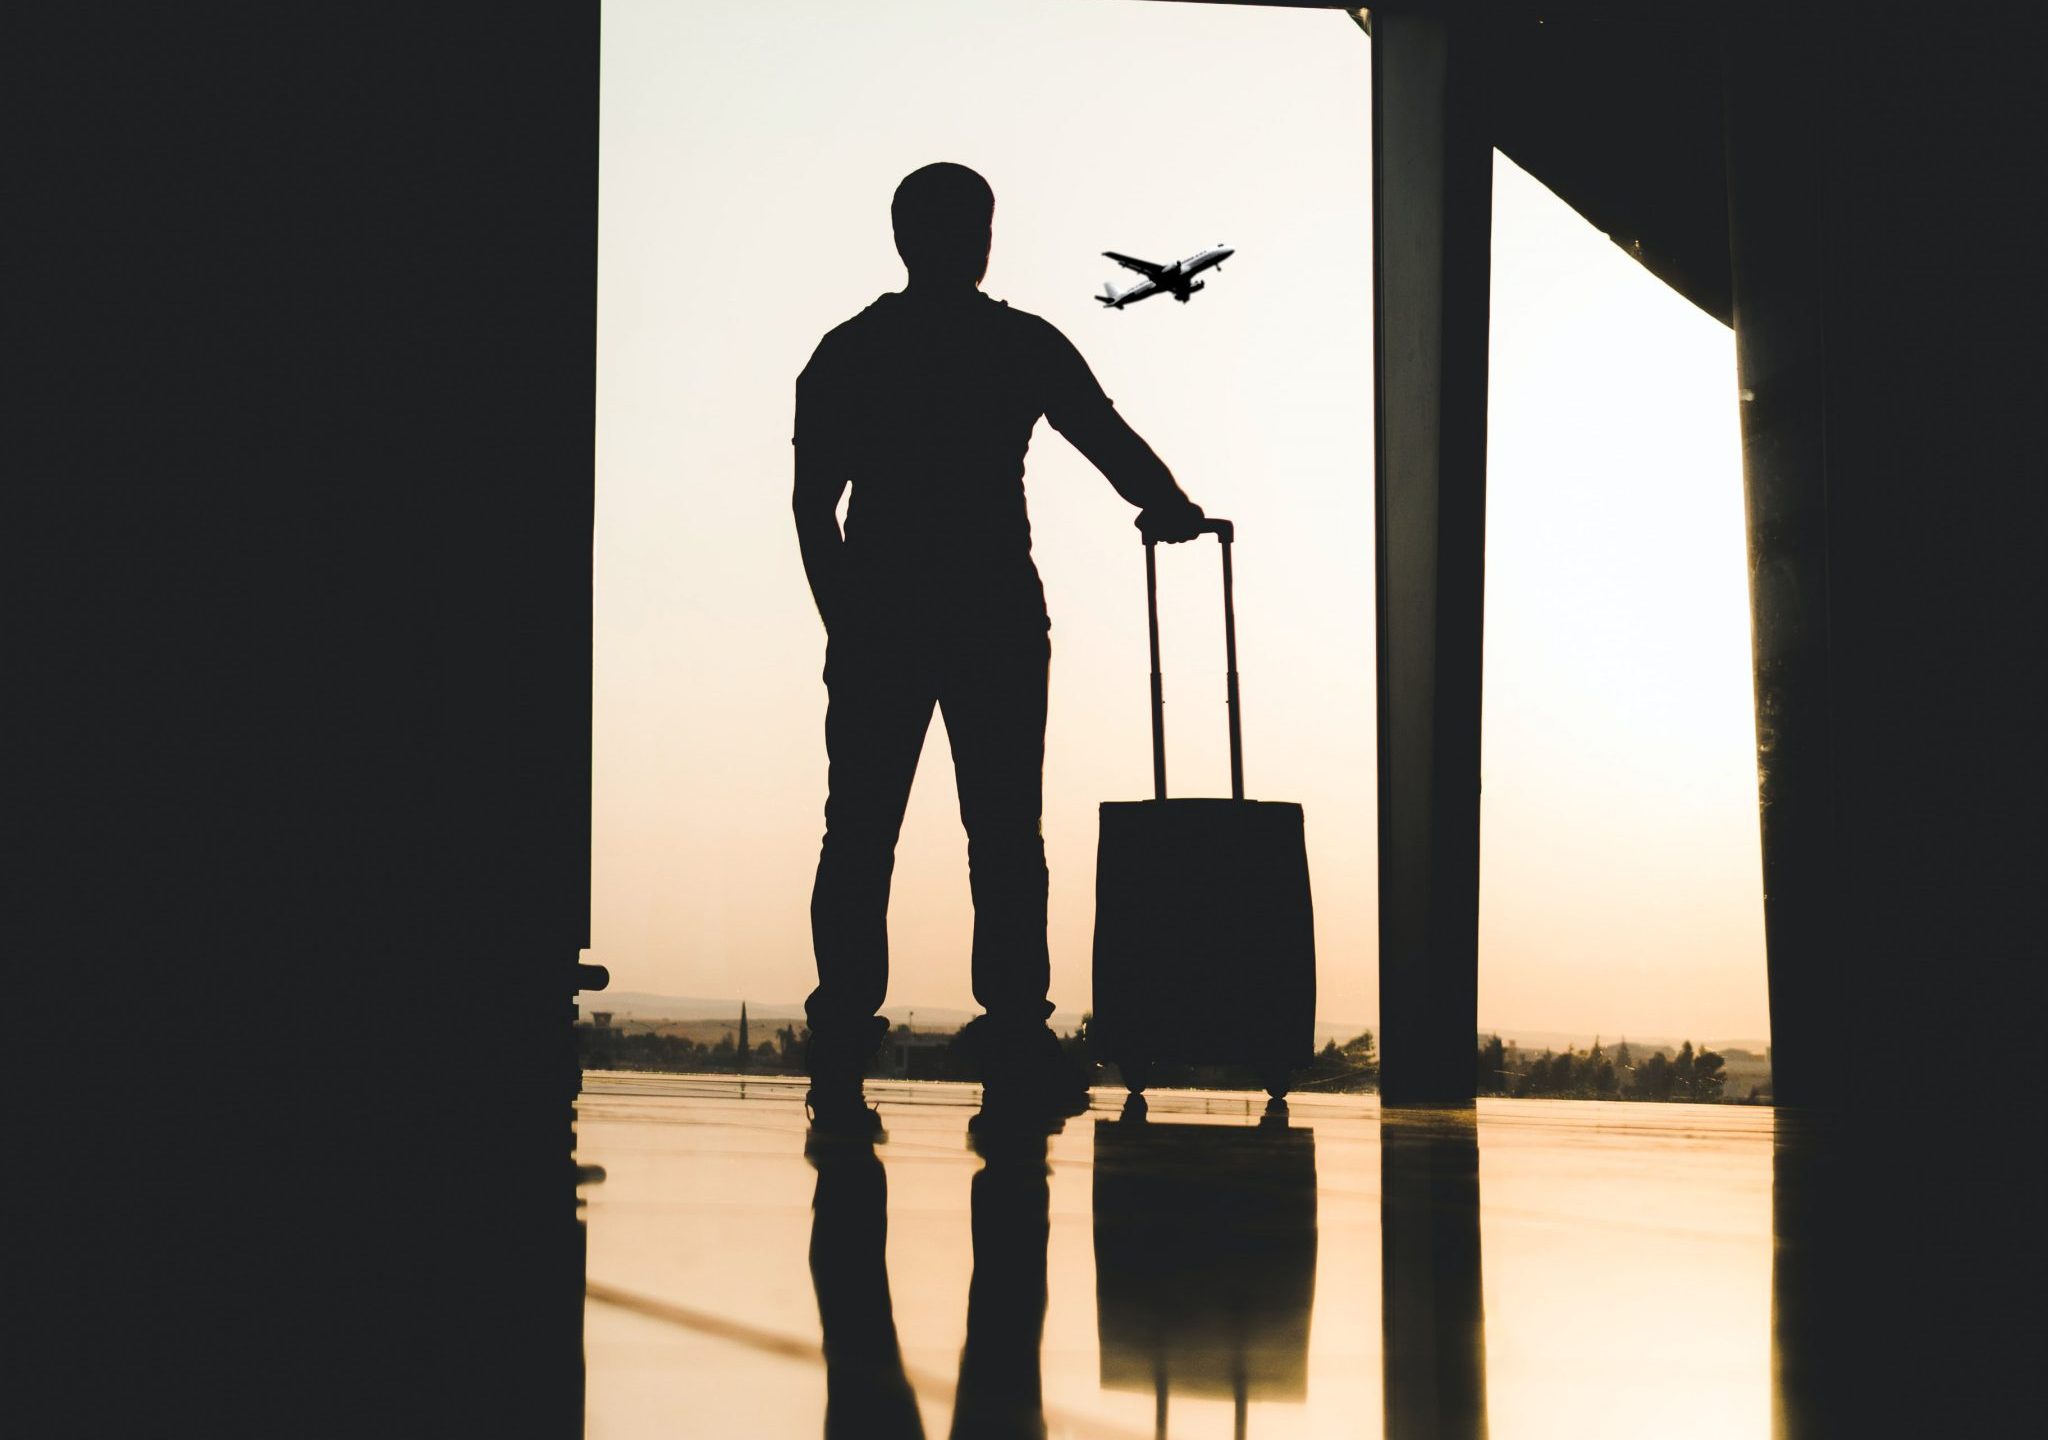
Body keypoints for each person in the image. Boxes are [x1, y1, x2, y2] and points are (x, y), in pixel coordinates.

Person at [793, 162, 1207, 1136]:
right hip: (992, 613)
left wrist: (843, 623)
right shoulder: (1016, 344)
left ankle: (842, 1038)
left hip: (884, 613)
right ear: (979, 239)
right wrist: (1170, 506)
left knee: (858, 836)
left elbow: (815, 507)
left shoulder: (849, 353)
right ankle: (1015, 1029)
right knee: (1005, 837)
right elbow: (1100, 435)